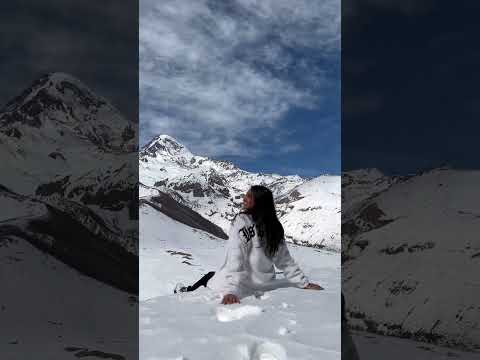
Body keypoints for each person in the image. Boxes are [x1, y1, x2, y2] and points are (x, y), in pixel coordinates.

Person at [174, 185, 323, 305]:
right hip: (265, 283)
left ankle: (186, 290)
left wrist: (231, 291)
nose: (244, 198)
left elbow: (236, 255)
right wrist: (303, 283)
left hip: (241, 284)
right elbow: (284, 259)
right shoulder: (274, 226)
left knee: (210, 276)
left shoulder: (242, 221)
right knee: (212, 275)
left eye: (249, 196)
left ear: (258, 202)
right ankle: (188, 288)